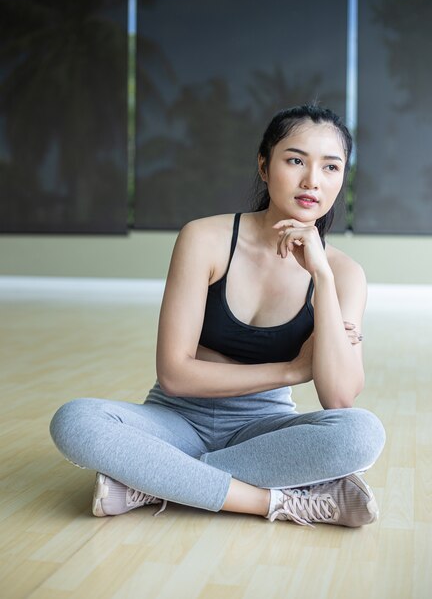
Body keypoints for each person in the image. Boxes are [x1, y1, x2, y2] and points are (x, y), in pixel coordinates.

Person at [50, 104, 386, 528]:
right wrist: (291, 370)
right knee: (75, 421)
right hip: (174, 419)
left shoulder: (343, 273)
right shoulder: (205, 239)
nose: (311, 181)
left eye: (331, 167)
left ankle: (154, 479)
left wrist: (321, 275)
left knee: (362, 433)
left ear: (342, 178)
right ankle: (274, 501)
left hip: (261, 430)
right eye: (295, 160)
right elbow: (175, 373)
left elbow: (339, 399)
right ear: (264, 166)